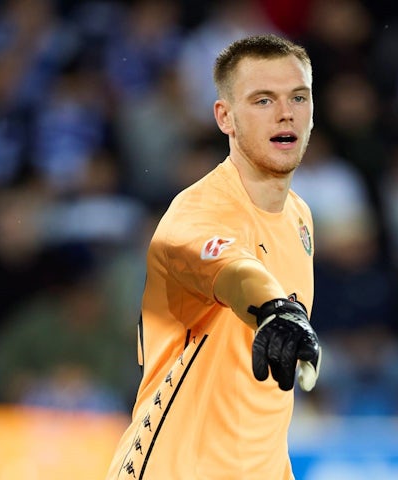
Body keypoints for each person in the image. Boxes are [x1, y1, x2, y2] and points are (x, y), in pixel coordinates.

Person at [105, 34, 321, 480]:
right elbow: (234, 271)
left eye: (298, 97)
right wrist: (274, 309)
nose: (286, 112)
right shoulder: (197, 212)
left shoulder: (300, 217)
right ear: (225, 117)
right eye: (263, 100)